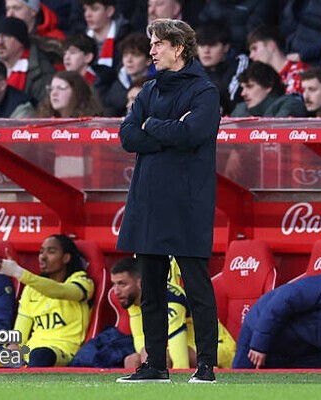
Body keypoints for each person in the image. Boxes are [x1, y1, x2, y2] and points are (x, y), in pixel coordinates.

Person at [115, 18, 220, 384]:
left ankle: (206, 366)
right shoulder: (149, 89)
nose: (152, 51)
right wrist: (165, 129)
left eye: (158, 44)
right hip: (148, 200)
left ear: (178, 47)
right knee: (152, 291)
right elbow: (127, 135)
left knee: (197, 286)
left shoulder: (205, 91)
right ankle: (155, 365)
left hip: (188, 201)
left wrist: (151, 126)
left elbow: (192, 133)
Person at [0, 234, 95, 367]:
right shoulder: (31, 289)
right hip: (28, 353)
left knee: (40, 355)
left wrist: (20, 273)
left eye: (51, 252)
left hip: (63, 352)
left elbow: (60, 291)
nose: (43, 256)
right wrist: (14, 346)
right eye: (41, 252)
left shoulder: (82, 281)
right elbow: (20, 333)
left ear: (66, 257)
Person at [111, 257, 236, 370]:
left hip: (217, 348)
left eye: (122, 284)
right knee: (131, 360)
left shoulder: (172, 300)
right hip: (176, 347)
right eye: (114, 284)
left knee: (164, 357)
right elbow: (139, 339)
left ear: (140, 283)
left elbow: (181, 362)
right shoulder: (132, 300)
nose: (116, 291)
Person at [0, 16, 56, 106]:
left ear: (21, 42)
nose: (0, 42)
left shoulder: (41, 72)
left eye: (7, 36)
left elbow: (44, 108)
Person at [196, 22, 249, 116]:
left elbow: (232, 100)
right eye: (202, 45)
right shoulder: (190, 66)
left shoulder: (239, 62)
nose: (206, 51)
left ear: (226, 47)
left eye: (213, 45)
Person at [247, 25, 308, 96]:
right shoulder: (273, 80)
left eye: (255, 49)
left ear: (271, 46)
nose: (251, 56)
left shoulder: (298, 72)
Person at [230, 61, 307, 117]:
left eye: (250, 87)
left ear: (268, 86)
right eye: (242, 88)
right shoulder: (239, 111)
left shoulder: (290, 105)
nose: (243, 93)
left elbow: (276, 132)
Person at [103, 32, 153, 117]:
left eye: (136, 55)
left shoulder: (159, 84)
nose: (129, 60)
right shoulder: (116, 86)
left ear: (148, 61)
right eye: (125, 55)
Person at [36, 70, 102, 117]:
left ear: (76, 92)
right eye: (51, 89)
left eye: (61, 88)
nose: (53, 93)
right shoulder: (45, 122)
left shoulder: (92, 124)